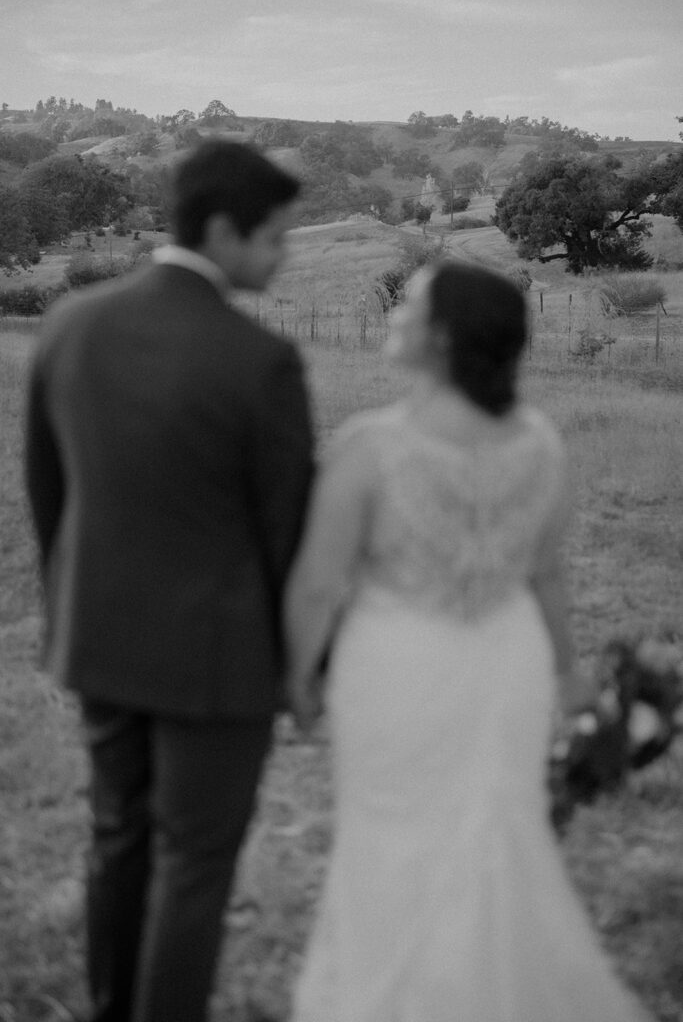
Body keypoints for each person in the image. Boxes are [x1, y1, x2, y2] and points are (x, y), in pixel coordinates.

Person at [285, 261, 653, 1022]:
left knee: (390, 840)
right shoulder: (542, 444)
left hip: (395, 669)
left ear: (442, 337)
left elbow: (317, 586)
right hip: (505, 663)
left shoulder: (367, 446)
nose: (390, 315)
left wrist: (296, 680)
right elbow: (547, 579)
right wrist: (568, 677)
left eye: (406, 307)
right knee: (494, 836)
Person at [24, 140, 314, 1022]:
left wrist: (71, 613)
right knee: (194, 866)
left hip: (99, 640)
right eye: (273, 237)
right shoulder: (259, 361)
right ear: (222, 230)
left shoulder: (70, 324)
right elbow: (288, 537)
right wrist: (303, 667)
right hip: (217, 667)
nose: (284, 255)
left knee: (118, 842)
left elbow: (49, 497)